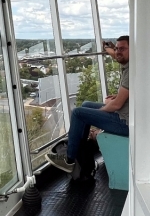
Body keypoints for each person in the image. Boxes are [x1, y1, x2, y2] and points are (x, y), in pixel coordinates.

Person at [47, 36, 129, 174]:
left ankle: (69, 159)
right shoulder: (132, 64)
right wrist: (108, 48)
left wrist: (104, 108)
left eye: (123, 48)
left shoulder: (131, 70)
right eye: (117, 48)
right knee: (86, 104)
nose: (118, 52)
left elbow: (116, 105)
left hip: (125, 123)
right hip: (127, 115)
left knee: (78, 113)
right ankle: (81, 148)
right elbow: (117, 56)